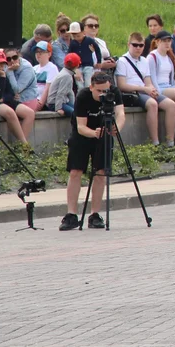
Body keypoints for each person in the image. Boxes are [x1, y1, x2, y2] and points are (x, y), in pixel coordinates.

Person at [59, 70, 126, 231]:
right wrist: (94, 133)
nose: (103, 94)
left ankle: (95, 214)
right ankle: (72, 214)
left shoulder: (114, 92)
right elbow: (81, 126)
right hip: (83, 135)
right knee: (76, 171)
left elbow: (121, 114)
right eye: (99, 91)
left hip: (104, 134)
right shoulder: (83, 96)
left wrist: (116, 128)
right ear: (91, 87)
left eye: (106, 90)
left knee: (101, 172)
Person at [116, 32, 175, 147]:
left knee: (171, 105)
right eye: (135, 45)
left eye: (141, 45)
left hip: (144, 90)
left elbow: (148, 80)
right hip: (132, 93)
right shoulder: (122, 61)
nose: (138, 48)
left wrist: (151, 89)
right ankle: (155, 143)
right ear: (128, 44)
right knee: (152, 104)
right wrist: (145, 89)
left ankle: (170, 141)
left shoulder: (144, 61)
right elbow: (122, 85)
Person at [147, 31, 175, 130]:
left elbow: (173, 78)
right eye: (164, 41)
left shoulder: (169, 57)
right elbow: (152, 77)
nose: (167, 43)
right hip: (159, 88)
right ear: (157, 42)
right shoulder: (152, 57)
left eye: (169, 41)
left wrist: (174, 87)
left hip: (169, 87)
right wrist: (158, 92)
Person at [7, 46, 42, 132]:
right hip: (14, 99)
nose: (12, 61)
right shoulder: (5, 65)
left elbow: (17, 89)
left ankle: (23, 143)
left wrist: (10, 71)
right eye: (8, 59)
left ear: (19, 56)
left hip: (27, 99)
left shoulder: (27, 68)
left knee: (24, 114)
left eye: (14, 58)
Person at [49, 52, 80, 117]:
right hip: (54, 104)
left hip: (62, 101)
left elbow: (70, 92)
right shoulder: (66, 76)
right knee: (76, 115)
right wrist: (58, 108)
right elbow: (61, 93)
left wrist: (73, 104)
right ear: (77, 65)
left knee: (79, 111)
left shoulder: (66, 73)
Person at [33, 41, 59, 110]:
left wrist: (41, 103)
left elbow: (48, 88)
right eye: (36, 52)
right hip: (33, 99)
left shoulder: (52, 68)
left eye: (41, 52)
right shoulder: (34, 68)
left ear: (49, 54)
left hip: (44, 102)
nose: (38, 54)